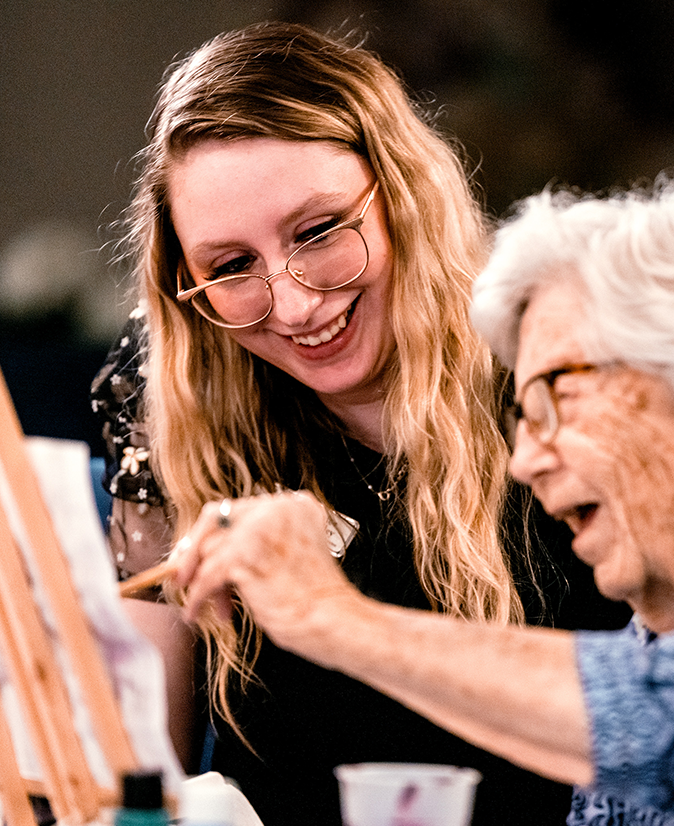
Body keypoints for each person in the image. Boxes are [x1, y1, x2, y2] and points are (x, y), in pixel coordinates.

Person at [173, 168, 674, 826]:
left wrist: (327, 614)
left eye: (558, 396)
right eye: (521, 413)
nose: (524, 459)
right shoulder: (656, 632)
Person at [90, 20, 629, 826]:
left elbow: (666, 715)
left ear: (402, 192)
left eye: (318, 232)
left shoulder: (560, 376)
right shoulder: (172, 408)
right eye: (231, 268)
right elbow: (130, 774)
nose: (298, 303)